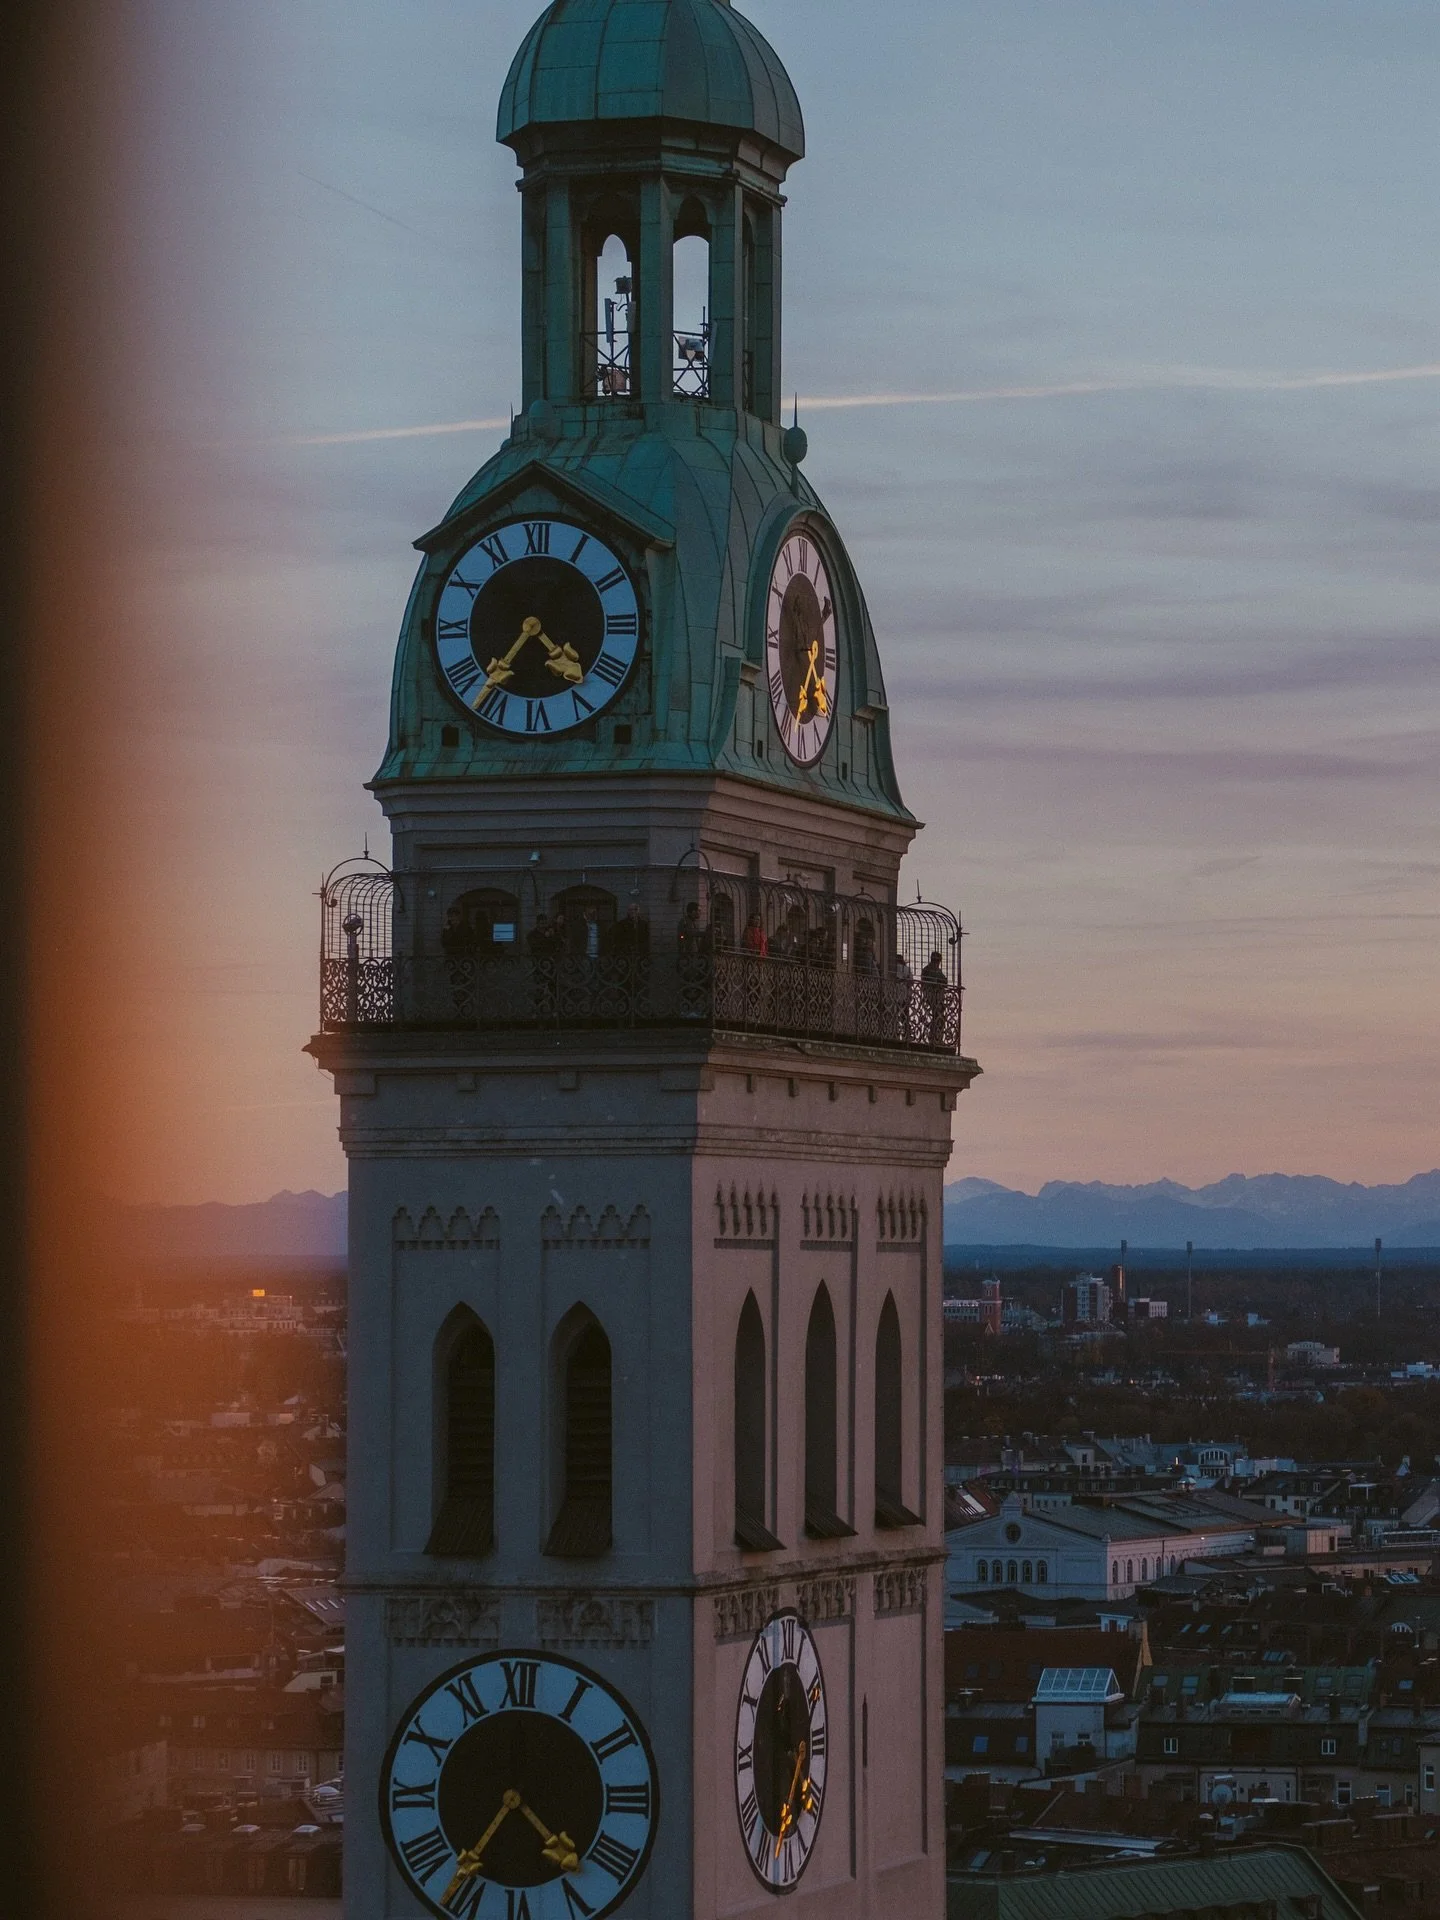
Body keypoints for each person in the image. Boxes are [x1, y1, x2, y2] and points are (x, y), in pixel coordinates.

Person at [921, 948, 948, 1047]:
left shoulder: (936, 970)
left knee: (940, 1018)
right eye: (937, 961)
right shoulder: (928, 969)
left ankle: (937, 1037)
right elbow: (937, 981)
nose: (937, 963)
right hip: (932, 997)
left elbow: (944, 981)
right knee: (938, 1017)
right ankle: (935, 1038)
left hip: (938, 997)